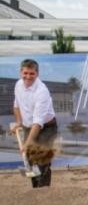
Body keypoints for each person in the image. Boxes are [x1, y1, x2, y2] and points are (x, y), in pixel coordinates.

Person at [11, 59, 58, 188]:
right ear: (21, 72)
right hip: (28, 126)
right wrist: (19, 122)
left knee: (42, 160)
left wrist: (27, 143)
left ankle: (43, 193)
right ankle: (35, 189)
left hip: (46, 128)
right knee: (30, 160)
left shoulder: (42, 91)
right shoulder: (18, 85)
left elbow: (38, 122)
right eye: (25, 73)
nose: (28, 76)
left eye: (31, 73)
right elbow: (16, 105)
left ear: (37, 74)